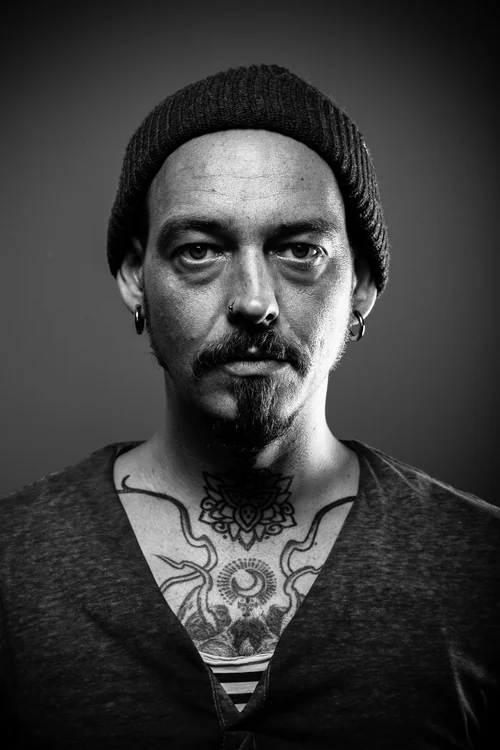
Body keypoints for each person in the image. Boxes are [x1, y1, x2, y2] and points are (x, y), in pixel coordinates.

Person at [0, 64, 498, 750]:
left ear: (361, 285)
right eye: (200, 251)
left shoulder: (482, 570)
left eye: (300, 250)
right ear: (134, 277)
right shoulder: (13, 567)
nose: (253, 300)